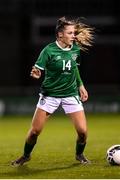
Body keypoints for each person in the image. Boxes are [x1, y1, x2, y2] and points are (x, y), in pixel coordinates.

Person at [11, 16, 94, 166]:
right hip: (50, 95)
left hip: (70, 94)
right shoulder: (48, 50)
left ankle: (79, 154)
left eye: (74, 33)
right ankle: (26, 155)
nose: (73, 36)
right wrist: (36, 74)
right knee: (35, 132)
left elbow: (74, 68)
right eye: (70, 33)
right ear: (60, 34)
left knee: (82, 132)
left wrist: (81, 86)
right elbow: (37, 70)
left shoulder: (75, 49)